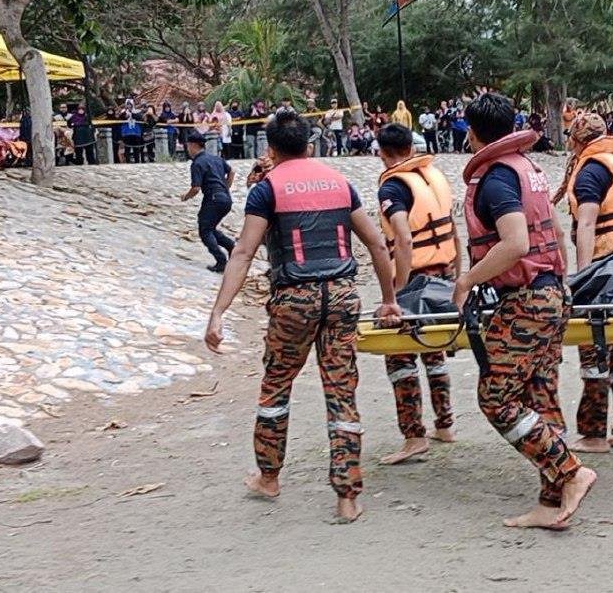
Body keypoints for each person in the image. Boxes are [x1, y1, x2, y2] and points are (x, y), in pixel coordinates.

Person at [204, 109, 401, 523]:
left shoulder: (267, 189)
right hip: (344, 297)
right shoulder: (340, 184)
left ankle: (269, 477)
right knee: (341, 392)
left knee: (276, 387)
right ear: (310, 144)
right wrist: (389, 299)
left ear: (271, 149)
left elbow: (243, 252)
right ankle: (347, 496)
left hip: (294, 299)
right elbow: (378, 247)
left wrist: (218, 312)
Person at [454, 92, 596, 530]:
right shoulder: (527, 168)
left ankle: (571, 471)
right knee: (540, 395)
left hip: (528, 299)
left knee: (495, 397)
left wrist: (467, 279)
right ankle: (552, 503)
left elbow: (515, 243)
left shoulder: (496, 178)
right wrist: (558, 283)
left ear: (472, 133)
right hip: (552, 293)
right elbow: (553, 228)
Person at [552, 112, 613, 454]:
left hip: (605, 266)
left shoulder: (591, 170)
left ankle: (593, 433)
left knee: (594, 346)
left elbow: (587, 223)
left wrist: (582, 275)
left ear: (577, 141)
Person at [375, 123, 461, 464]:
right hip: (444, 269)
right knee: (433, 348)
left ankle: (413, 436)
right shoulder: (431, 176)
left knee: (399, 354)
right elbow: (452, 228)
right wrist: (458, 269)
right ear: (412, 147)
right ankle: (445, 424)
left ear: (381, 153)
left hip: (415, 277)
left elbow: (404, 238)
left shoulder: (393, 187)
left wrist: (397, 292)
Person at [180, 131, 236, 273]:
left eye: (188, 146)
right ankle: (231, 247)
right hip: (225, 199)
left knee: (205, 231)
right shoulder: (216, 158)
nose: (188, 150)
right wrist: (226, 187)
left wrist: (186, 197)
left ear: (193, 145)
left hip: (213, 198)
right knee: (209, 228)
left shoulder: (197, 163)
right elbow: (232, 171)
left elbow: (196, 188)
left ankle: (221, 260)